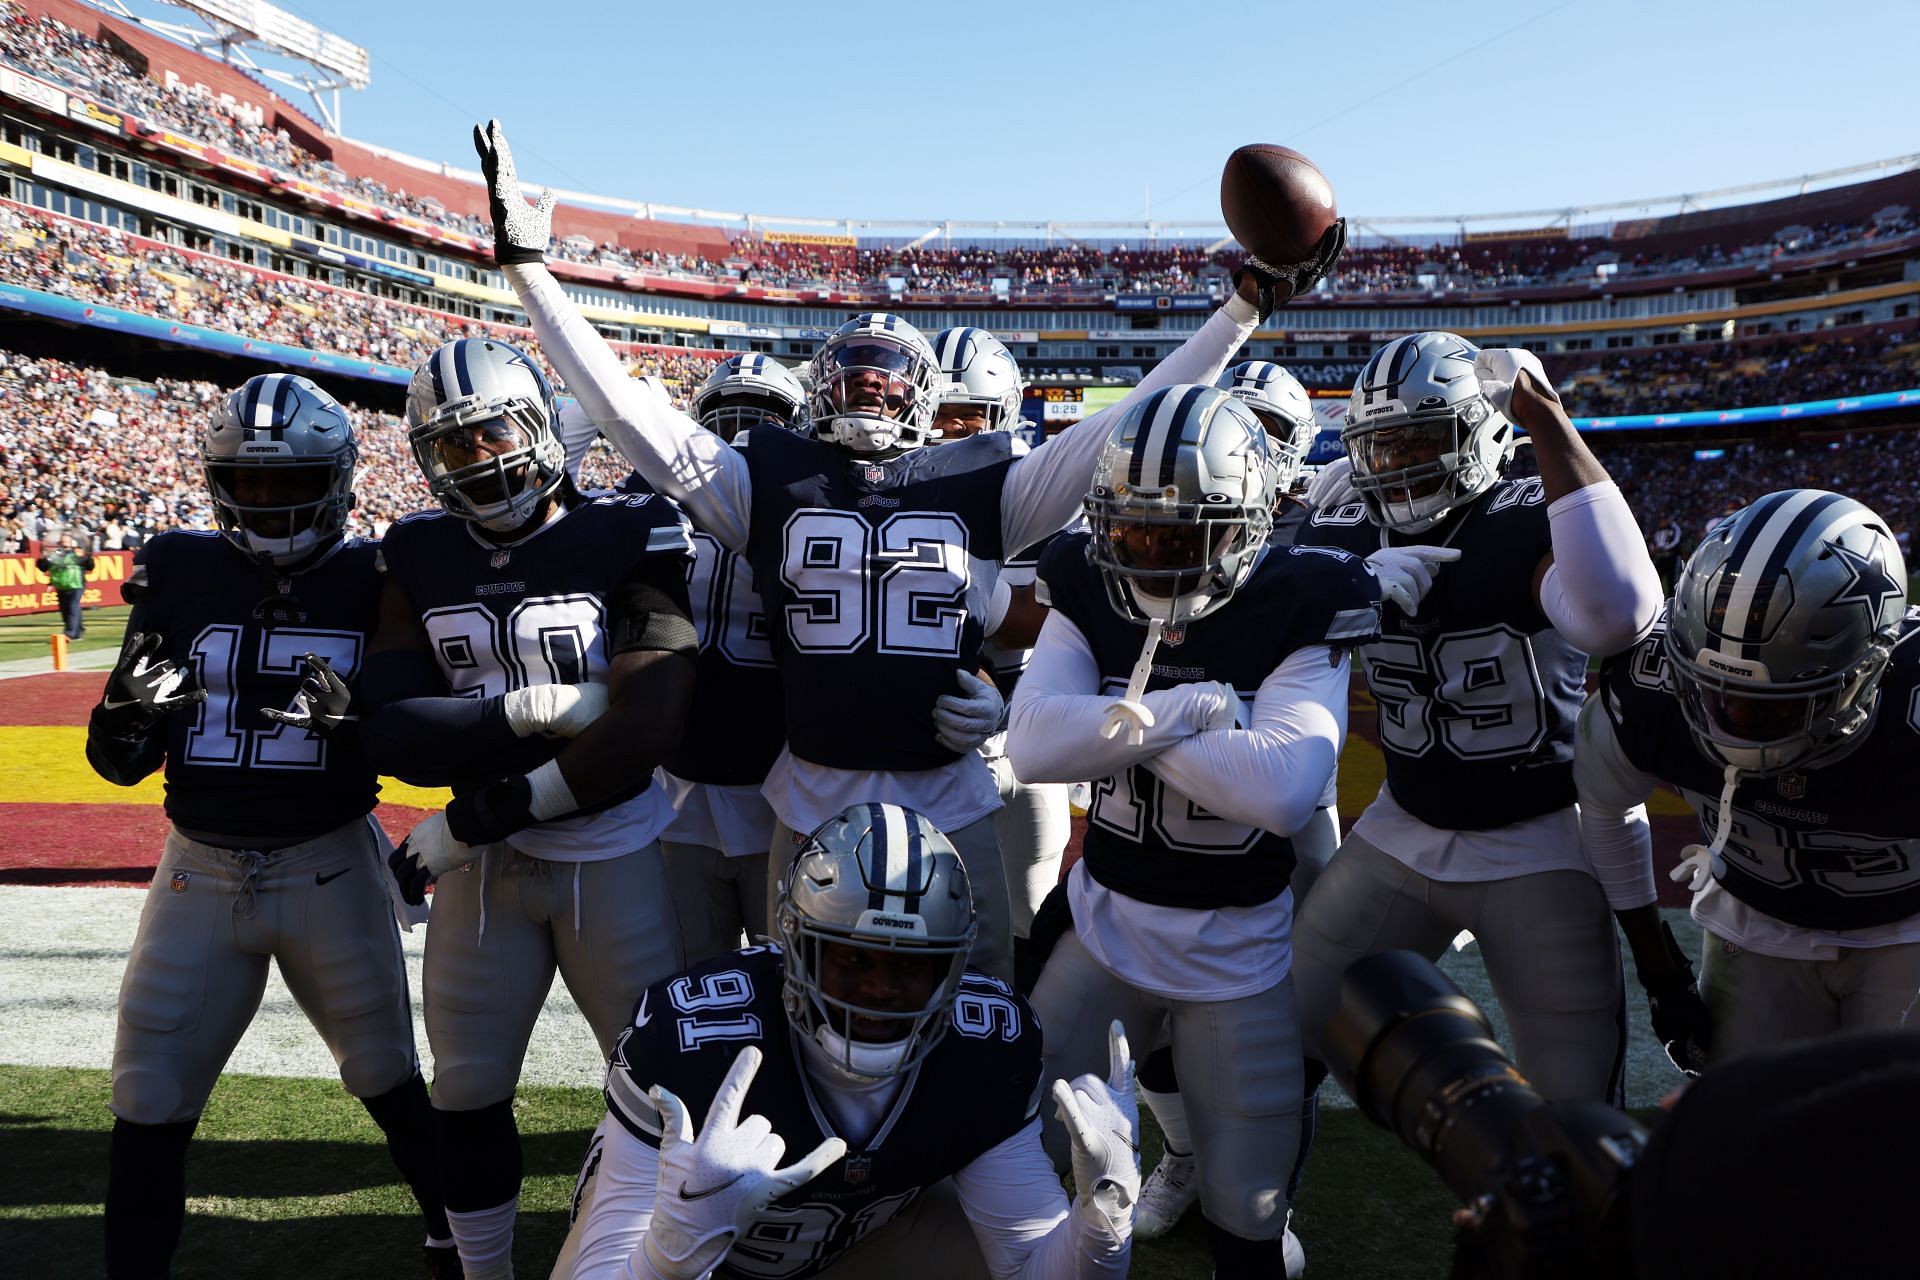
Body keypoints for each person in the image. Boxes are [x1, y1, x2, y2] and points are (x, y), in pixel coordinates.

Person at [471, 120, 1330, 983]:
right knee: (802, 999)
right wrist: (530, 273)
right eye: (855, 366)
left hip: (949, 791)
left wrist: (1240, 311)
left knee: (976, 994)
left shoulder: (989, 480)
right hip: (809, 794)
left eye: (889, 369)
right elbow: (628, 413)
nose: (870, 382)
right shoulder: (770, 478)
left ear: (925, 394)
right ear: (819, 387)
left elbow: (1130, 418)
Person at [83, 372, 454, 1278]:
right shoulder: (180, 569)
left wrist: (362, 720)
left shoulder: (380, 576)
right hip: (197, 869)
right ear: (217, 481)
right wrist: (135, 707)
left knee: (382, 1073)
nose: (268, 501)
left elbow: (424, 751)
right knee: (146, 1093)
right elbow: (118, 759)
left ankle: (463, 1243)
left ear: (336, 478)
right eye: (247, 483)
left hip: (328, 863)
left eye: (288, 483)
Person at [1008, 385, 1383, 1279]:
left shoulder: (1305, 592)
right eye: (1134, 531)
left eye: (1187, 533)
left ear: (1250, 521)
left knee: (1246, 1216)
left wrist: (1109, 719)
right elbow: (1029, 747)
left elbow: (1282, 791)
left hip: (1240, 954)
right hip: (1103, 926)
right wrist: (1187, 710)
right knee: (1012, 1137)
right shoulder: (1084, 581)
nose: (1156, 553)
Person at [365, 337, 698, 1280]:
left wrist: (475, 812)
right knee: (466, 1090)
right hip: (483, 875)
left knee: (661, 1091)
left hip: (606, 854)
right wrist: (516, 713)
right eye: (454, 445)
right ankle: (482, 1271)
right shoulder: (420, 549)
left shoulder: (633, 527)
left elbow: (648, 725)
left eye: (494, 433)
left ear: (544, 424)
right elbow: (389, 731)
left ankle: (649, 1263)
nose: (480, 460)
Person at [1288, 335, 1664, 1107]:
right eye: (1378, 446)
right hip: (1400, 827)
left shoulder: (1524, 519)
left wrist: (1548, 419)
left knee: (1576, 1106)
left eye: (1418, 439)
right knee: (1280, 1031)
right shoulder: (1344, 524)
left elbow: (1615, 614)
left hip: (1539, 842)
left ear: (1484, 431)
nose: (1395, 464)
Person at [552, 802, 1140, 1280]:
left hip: (861, 1243)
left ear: (953, 968)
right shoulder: (691, 1039)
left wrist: (1104, 1217)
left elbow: (1028, 1268)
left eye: (910, 964)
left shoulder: (985, 1046)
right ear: (796, 946)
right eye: (852, 959)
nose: (880, 987)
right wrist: (670, 1255)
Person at [1575, 490, 1920, 1070]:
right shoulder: (1651, 691)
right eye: (1715, 691)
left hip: (1906, 927)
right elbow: (1605, 809)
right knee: (1749, 1132)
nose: (1732, 720)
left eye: (1773, 707)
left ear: (1868, 670)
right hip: (1755, 923)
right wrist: (1658, 968)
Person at [1128, 356, 1343, 1241]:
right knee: (1145, 1007)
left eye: (1272, 430)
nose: (1250, 446)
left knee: (1289, 1022)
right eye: (1236, 423)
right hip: (1156, 785)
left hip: (1285, 802)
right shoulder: (1172, 517)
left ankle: (1261, 1187)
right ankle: (1183, 1150)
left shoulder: (1332, 529)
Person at [560, 352, 808, 964]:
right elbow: (556, 523)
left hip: (781, 786)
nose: (742, 437)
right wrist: (585, 411)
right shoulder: (645, 500)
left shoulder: (809, 503)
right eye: (726, 419)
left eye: (764, 421)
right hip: (675, 787)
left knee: (797, 979)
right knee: (689, 981)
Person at [927, 326, 1071, 990]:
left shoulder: (1045, 497)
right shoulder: (896, 490)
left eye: (971, 415)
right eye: (939, 413)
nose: (953, 430)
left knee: (1030, 911)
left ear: (1003, 416)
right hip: (934, 744)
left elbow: (1069, 616)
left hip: (1026, 735)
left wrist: (995, 611)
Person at [37, 531, 94, 639]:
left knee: (73, 607)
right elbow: (43, 567)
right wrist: (42, 558)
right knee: (66, 610)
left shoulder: (77, 553)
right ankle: (78, 629)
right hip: (61, 585)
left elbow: (90, 566)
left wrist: (86, 557)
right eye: (63, 542)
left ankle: (69, 633)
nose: (65, 544)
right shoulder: (55, 555)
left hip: (76, 584)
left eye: (67, 541)